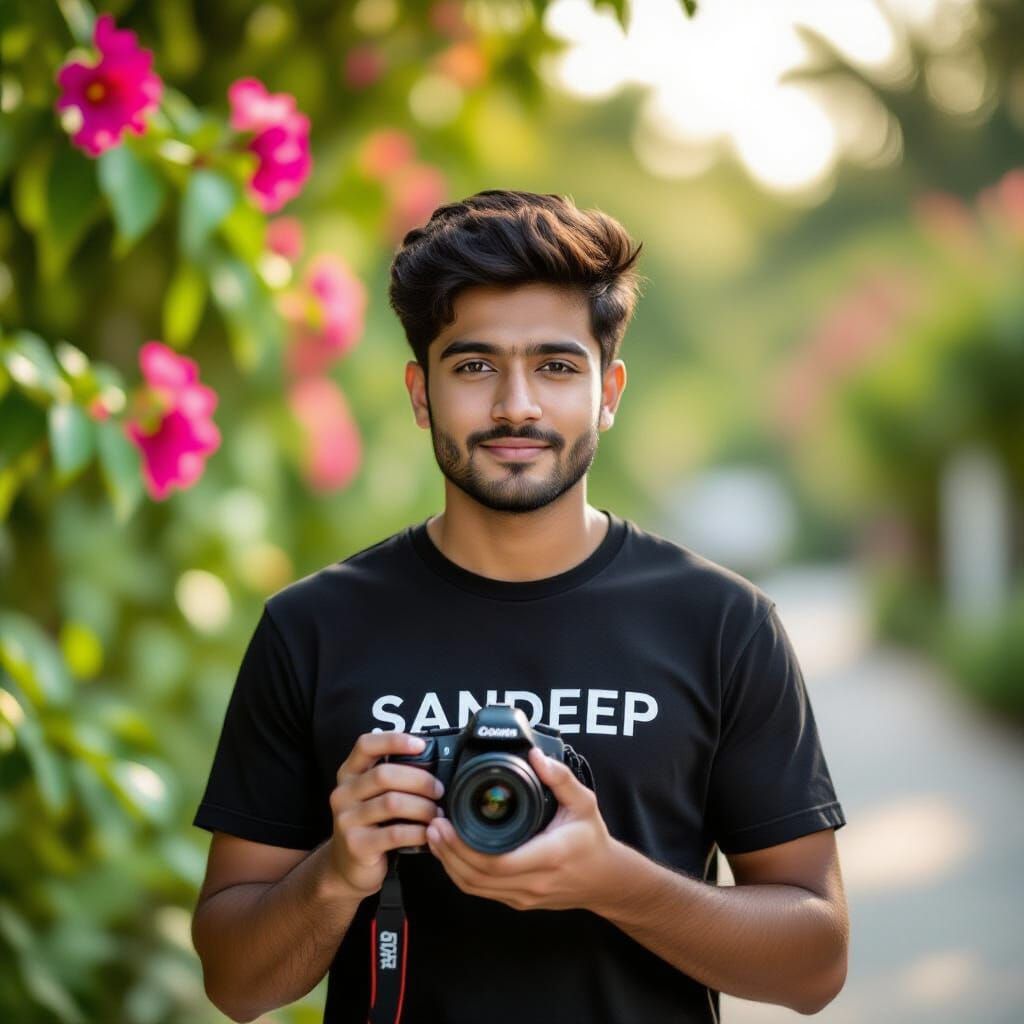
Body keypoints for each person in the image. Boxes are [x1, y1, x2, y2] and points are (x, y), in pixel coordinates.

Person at [190, 189, 849, 1024]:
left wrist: (614, 880)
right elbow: (236, 985)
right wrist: (336, 872)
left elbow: (817, 964)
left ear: (608, 390)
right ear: (421, 392)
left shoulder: (721, 623)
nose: (516, 405)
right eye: (473, 366)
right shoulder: (312, 628)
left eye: (556, 365)